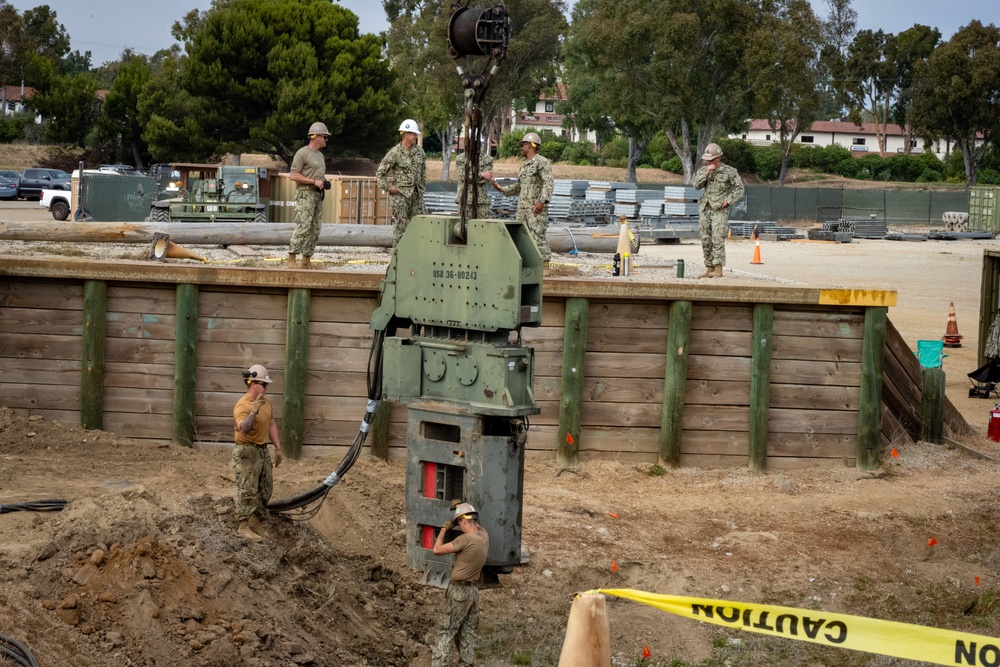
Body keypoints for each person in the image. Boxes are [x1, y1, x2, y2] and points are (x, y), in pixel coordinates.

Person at [430, 502, 489, 667]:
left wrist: (444, 529)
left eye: (458, 522)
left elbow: (437, 550)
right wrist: (461, 507)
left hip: (458, 591)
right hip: (473, 593)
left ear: (463, 521)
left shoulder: (464, 539)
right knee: (467, 634)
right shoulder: (484, 536)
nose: (459, 526)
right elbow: (476, 523)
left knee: (444, 633)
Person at [484, 132, 554, 263]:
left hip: (535, 209)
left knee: (537, 237)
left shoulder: (542, 162)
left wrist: (542, 201)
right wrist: (500, 188)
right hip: (522, 209)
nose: (521, 148)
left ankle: (545, 268)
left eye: (523, 145)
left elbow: (548, 182)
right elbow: (519, 186)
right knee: (522, 238)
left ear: (530, 146)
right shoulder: (524, 165)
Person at [232, 364, 283, 542]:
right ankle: (243, 525)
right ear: (253, 384)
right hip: (247, 450)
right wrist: (253, 412)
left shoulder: (266, 403)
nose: (266, 387)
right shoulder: (243, 405)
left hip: (262, 450)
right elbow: (243, 429)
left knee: (265, 488)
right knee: (247, 488)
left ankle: (255, 520)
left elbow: (271, 424)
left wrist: (277, 447)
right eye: (264, 384)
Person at [691, 142, 744, 278]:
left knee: (717, 238)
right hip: (705, 207)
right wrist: (707, 172)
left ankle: (718, 268)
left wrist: (728, 201)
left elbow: (739, 189)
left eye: (711, 160)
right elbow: (695, 185)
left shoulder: (729, 171)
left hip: (719, 209)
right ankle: (709, 268)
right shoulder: (704, 170)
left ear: (718, 158)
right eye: (707, 160)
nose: (708, 162)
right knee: (705, 238)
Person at [287, 122, 331, 269]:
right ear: (316, 137)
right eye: (324, 137)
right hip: (305, 194)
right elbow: (293, 175)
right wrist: (313, 181)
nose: (326, 140)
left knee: (315, 228)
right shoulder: (302, 153)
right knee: (303, 226)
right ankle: (292, 257)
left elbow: (319, 176)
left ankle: (306, 259)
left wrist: (324, 182)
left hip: (317, 195)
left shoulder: (320, 156)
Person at [376, 119, 427, 247]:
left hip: (416, 196)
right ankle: (399, 262)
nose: (416, 136)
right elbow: (380, 174)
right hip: (400, 197)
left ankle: (418, 258)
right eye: (413, 134)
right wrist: (389, 188)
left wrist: (421, 188)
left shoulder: (420, 152)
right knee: (401, 230)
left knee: (422, 227)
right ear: (405, 134)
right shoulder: (394, 153)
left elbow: (423, 173)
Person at [455, 148, 494, 220]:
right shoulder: (460, 158)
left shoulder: (487, 159)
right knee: (465, 227)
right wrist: (481, 174)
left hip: (481, 201)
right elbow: (462, 176)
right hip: (464, 200)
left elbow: (487, 178)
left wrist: (470, 178)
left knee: (485, 227)